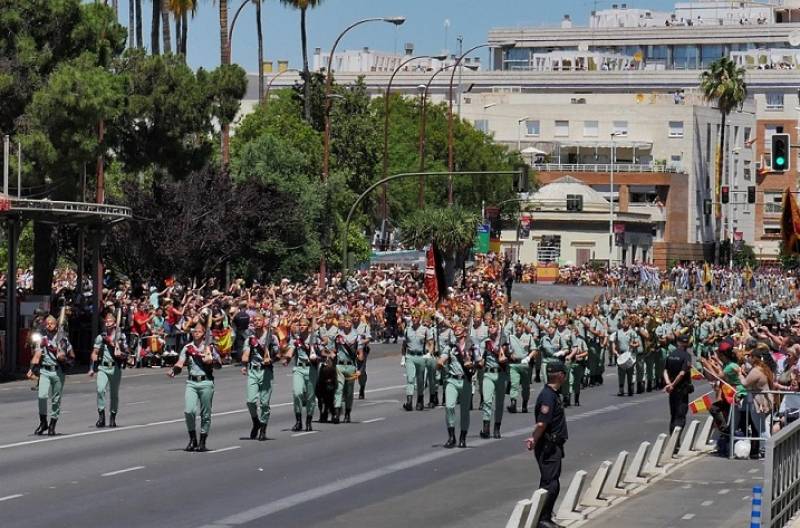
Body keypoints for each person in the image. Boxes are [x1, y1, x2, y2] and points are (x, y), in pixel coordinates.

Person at [168, 321, 222, 452]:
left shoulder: (210, 347)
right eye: (194, 331)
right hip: (192, 382)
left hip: (206, 382)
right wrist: (174, 370)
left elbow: (219, 364)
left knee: (205, 414)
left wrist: (211, 361)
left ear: (204, 333)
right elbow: (180, 363)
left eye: (198, 331)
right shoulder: (188, 348)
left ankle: (202, 441)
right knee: (189, 411)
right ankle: (193, 439)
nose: (196, 333)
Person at [527, 361, 569, 528]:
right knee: (549, 484)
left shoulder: (552, 394)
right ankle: (541, 520)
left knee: (552, 482)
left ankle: (545, 517)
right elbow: (542, 424)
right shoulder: (548, 396)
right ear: (560, 375)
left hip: (553, 445)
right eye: (564, 374)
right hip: (548, 446)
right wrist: (534, 439)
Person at [27, 315, 74, 436]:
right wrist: (31, 369)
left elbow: (72, 356)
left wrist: (63, 357)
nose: (48, 325)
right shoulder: (43, 339)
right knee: (42, 396)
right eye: (47, 323)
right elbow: (37, 355)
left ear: (56, 325)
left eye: (51, 323)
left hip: (58, 372)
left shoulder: (63, 339)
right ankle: (43, 423)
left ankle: (53, 424)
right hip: (45, 371)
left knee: (56, 399)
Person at [240, 313, 279, 441]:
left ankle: (263, 429)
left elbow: (278, 354)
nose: (256, 322)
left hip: (266, 371)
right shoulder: (250, 339)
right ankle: (256, 421)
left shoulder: (271, 337)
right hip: (253, 371)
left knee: (264, 403)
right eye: (254, 320)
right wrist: (244, 364)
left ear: (264, 322)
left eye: (259, 320)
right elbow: (246, 354)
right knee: (250, 401)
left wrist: (270, 358)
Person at [90, 312, 129, 428]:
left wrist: (119, 351)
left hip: (115, 367)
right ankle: (101, 417)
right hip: (103, 367)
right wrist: (92, 367)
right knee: (100, 389)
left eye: (110, 321)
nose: (107, 323)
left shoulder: (121, 337)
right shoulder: (101, 337)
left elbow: (126, 352)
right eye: (106, 321)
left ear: (115, 323)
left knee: (114, 394)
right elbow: (95, 352)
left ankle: (113, 417)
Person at [438, 322, 474, 448]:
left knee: (465, 411)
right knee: (449, 406)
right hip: (452, 380)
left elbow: (480, 361)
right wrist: (440, 362)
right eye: (455, 329)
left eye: (459, 328)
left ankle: (462, 437)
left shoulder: (472, 346)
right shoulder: (451, 346)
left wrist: (473, 365)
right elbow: (442, 357)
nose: (456, 330)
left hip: (465, 380)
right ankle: (451, 436)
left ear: (464, 332)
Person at [284, 318, 319, 432]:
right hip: (299, 368)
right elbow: (291, 351)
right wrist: (287, 359)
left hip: (311, 368)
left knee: (310, 397)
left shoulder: (314, 338)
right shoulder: (296, 339)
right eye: (300, 325)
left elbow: (322, 352)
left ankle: (308, 421)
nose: (302, 327)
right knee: (297, 393)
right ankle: (298, 421)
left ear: (309, 327)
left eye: (304, 325)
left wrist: (316, 354)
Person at [663, 330, 692, 446]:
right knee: (680, 417)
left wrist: (668, 384)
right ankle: (676, 443)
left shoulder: (671, 354)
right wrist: (673, 384)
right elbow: (682, 373)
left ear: (678, 342)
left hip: (672, 390)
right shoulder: (687, 356)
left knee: (673, 415)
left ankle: (673, 442)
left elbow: (665, 370)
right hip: (681, 389)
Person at [401, 311, 432, 411]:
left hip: (421, 357)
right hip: (410, 356)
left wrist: (429, 353)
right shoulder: (407, 330)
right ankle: (409, 401)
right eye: (413, 317)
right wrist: (403, 356)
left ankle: (420, 400)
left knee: (420, 380)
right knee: (410, 379)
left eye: (416, 317)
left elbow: (431, 343)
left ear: (420, 319)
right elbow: (404, 344)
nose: (414, 319)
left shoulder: (425, 330)